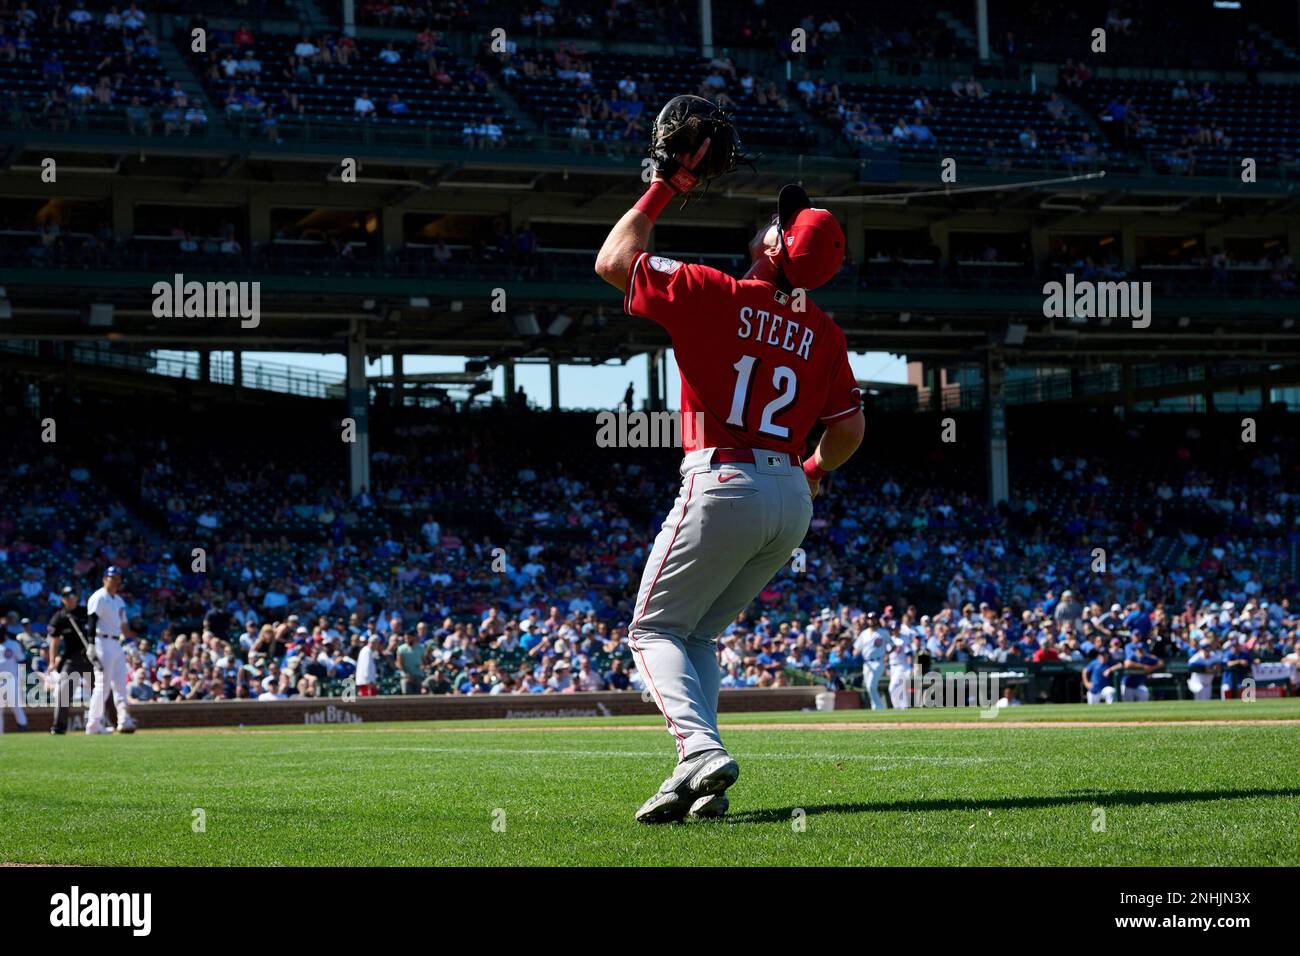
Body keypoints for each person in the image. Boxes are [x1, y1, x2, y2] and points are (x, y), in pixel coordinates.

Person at [595, 140, 864, 822]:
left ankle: (695, 752)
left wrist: (665, 186)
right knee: (698, 636)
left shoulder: (713, 292)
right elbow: (850, 432)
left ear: (776, 248)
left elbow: (611, 261)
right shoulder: (826, 333)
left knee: (651, 631)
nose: (771, 225)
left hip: (723, 478)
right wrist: (814, 470)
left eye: (779, 225)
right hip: (790, 494)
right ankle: (702, 777)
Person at [85, 566, 136, 733]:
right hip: (101, 641)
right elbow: (91, 621)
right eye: (111, 577)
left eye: (117, 577)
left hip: (116, 643)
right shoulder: (99, 597)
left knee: (121, 683)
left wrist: (132, 640)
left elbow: (124, 625)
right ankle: (93, 724)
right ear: (104, 578)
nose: (114, 580)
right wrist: (91, 644)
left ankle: (124, 720)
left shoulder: (119, 600)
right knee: (102, 684)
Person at [46, 585, 94, 734]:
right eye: (67, 596)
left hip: (90, 658)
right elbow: (54, 641)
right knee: (64, 693)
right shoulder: (59, 616)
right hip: (71, 659)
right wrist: (52, 661)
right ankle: (59, 727)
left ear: (77, 597)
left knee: (102, 690)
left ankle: (114, 721)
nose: (70, 599)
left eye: (72, 596)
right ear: (62, 599)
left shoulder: (86, 612)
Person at [0, 621, 28, 732]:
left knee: (16, 707)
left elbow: (23, 661)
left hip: (11, 681)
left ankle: (23, 729)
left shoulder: (13, 644)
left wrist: (22, 678)